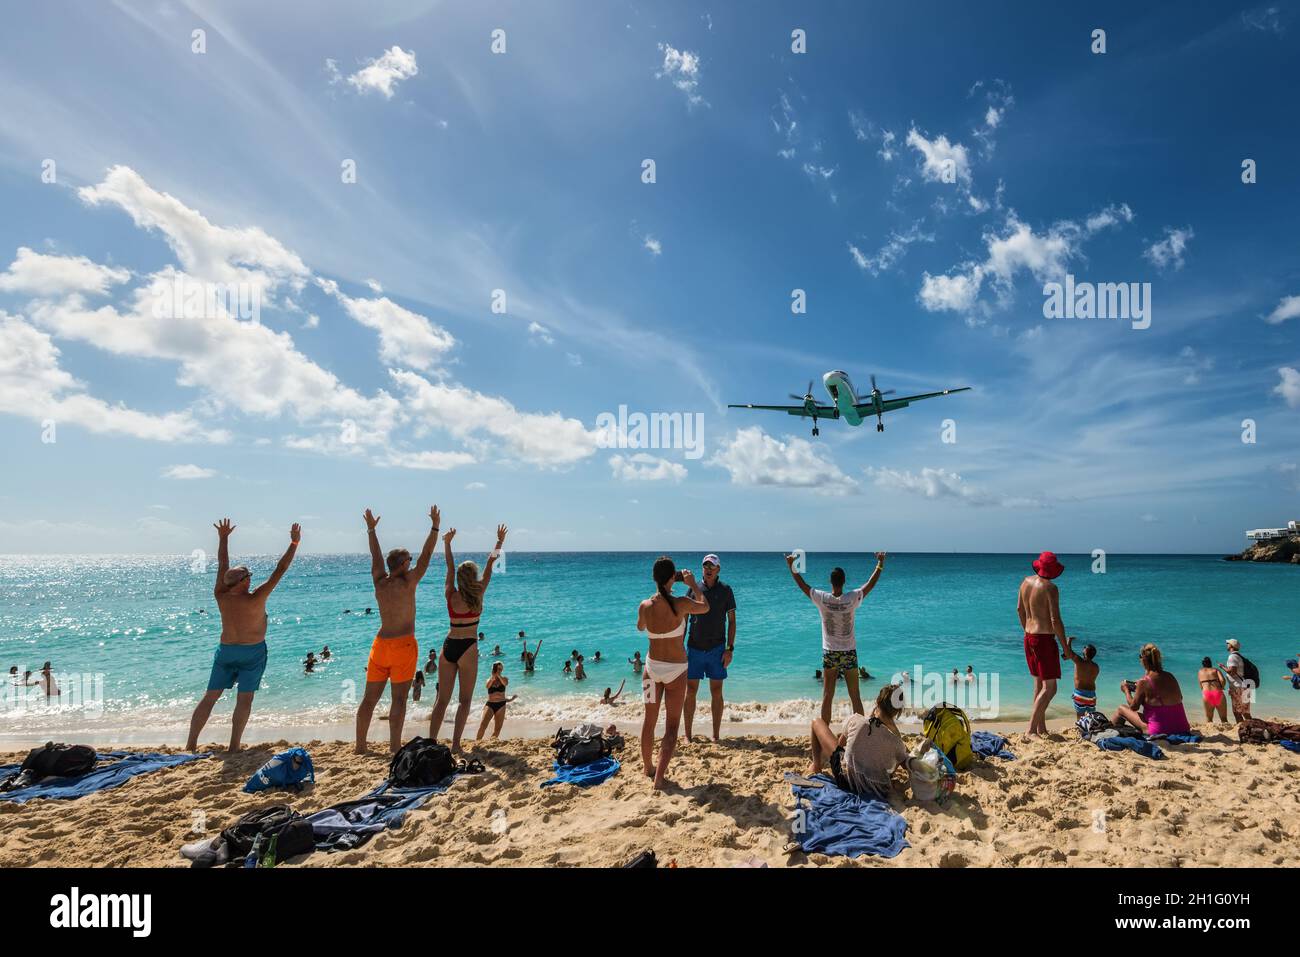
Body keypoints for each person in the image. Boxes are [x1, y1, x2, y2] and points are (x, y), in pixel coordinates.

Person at [186, 518, 300, 752]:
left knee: (210, 697)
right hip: (252, 653)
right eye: (248, 575)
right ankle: (234, 746)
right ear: (242, 582)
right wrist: (294, 543)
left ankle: (191, 744)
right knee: (244, 699)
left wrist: (223, 538)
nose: (251, 577)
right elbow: (280, 569)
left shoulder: (221, 594)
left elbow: (222, 565)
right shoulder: (256, 597)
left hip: (226, 651)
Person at [355, 505, 439, 755]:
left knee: (369, 699)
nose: (412, 562)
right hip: (403, 645)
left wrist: (371, 529)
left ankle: (360, 746)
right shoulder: (409, 582)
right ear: (403, 564)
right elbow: (427, 554)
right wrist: (435, 527)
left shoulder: (380, 581)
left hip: (380, 645)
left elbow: (376, 556)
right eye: (409, 560)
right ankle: (393, 747)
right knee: (399, 700)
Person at [428, 523, 508, 750]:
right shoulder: (479, 591)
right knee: (464, 701)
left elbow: (450, 569)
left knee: (441, 700)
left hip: (449, 644)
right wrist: (499, 541)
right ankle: (454, 744)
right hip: (468, 647)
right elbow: (491, 562)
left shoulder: (450, 594)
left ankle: (432, 742)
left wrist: (447, 543)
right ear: (473, 576)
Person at [787, 551, 885, 723]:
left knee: (827, 695)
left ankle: (825, 732)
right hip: (848, 653)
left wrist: (791, 566)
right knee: (855, 695)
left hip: (830, 653)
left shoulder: (822, 598)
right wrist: (880, 563)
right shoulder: (852, 597)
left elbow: (803, 585)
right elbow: (871, 584)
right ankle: (859, 734)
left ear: (830, 582)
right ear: (844, 581)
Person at [637, 556, 709, 789]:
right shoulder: (680, 603)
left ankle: (647, 767)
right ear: (672, 578)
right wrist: (693, 585)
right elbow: (705, 606)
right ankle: (658, 778)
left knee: (649, 721)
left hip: (651, 670)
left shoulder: (645, 605)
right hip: (676, 672)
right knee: (671, 726)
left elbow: (640, 627)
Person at [807, 684, 907, 800]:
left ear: (877, 702)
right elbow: (895, 767)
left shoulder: (856, 720)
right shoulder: (897, 743)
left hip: (846, 780)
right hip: (876, 788)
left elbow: (840, 746)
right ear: (898, 711)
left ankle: (816, 766)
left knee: (816, 722)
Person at [684, 553, 737, 744]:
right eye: (705, 566)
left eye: (711, 566)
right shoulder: (693, 589)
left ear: (718, 569)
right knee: (690, 691)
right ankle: (688, 735)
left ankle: (715, 735)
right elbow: (684, 620)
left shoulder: (726, 590)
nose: (707, 569)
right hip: (694, 647)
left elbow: (731, 622)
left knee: (717, 692)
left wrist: (729, 649)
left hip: (717, 648)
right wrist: (680, 647)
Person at [1017, 550, 1067, 737]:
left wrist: (1026, 630)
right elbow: (1055, 621)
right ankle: (1031, 730)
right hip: (1044, 639)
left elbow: (1019, 609)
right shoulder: (1050, 588)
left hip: (1029, 637)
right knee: (1050, 688)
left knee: (1039, 685)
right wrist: (1065, 647)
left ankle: (1041, 727)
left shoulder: (1025, 583)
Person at [1111, 643, 1191, 736]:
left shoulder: (1144, 682)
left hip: (1159, 730)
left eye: (1140, 656)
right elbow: (1180, 697)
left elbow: (1134, 707)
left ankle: (1109, 731)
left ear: (1143, 660)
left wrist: (1126, 691)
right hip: (1182, 728)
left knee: (1121, 709)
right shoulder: (1170, 676)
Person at [474, 662, 516, 740]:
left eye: (500, 669)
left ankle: (491, 742)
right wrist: (493, 677)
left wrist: (498, 675)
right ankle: (477, 742)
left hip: (501, 705)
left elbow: (505, 683)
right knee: (483, 725)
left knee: (497, 729)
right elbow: (487, 686)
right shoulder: (489, 680)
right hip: (490, 705)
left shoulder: (504, 679)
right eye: (497, 668)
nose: (498, 670)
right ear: (493, 669)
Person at [1061, 636, 1099, 715]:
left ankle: (1080, 726)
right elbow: (1066, 656)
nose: (1083, 648)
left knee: (1080, 715)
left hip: (1080, 693)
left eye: (1084, 648)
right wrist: (1067, 655)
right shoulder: (1096, 666)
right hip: (1092, 695)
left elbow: (1068, 653)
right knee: (1091, 716)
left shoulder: (1079, 661)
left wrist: (1069, 641)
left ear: (1085, 652)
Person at [1219, 638, 1253, 723]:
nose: (1227, 645)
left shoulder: (1232, 657)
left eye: (1228, 643)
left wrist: (1222, 667)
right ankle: (1252, 728)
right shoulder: (1239, 656)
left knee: (1237, 712)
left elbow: (1232, 672)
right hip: (1244, 686)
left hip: (1237, 687)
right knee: (1245, 712)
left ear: (1231, 646)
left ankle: (1242, 729)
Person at [1198, 657, 1228, 722]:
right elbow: (1222, 680)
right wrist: (1222, 687)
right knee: (1224, 718)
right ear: (1210, 663)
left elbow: (1200, 685)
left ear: (1203, 664)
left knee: (1209, 718)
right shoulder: (1215, 670)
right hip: (1218, 693)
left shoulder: (1200, 672)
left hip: (1206, 694)